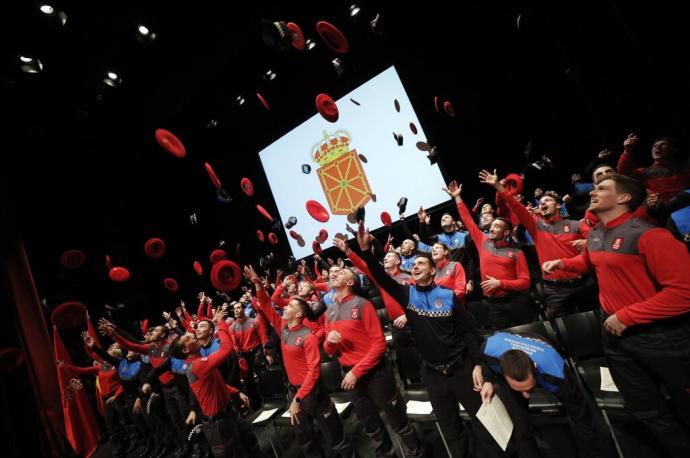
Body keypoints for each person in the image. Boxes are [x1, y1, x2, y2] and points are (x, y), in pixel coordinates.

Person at [345, 225, 541, 457]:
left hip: (462, 370)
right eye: (414, 265)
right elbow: (379, 276)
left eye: (421, 264)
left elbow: (470, 333)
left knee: (485, 426)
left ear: (432, 271)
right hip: (433, 376)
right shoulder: (406, 294)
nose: (415, 267)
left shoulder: (447, 297)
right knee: (452, 432)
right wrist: (366, 250)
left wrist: (479, 366)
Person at [542, 173, 690, 458]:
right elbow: (589, 260)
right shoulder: (597, 234)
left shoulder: (649, 235)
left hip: (661, 337)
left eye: (602, 188)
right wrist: (563, 263)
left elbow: (684, 293)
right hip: (615, 338)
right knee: (646, 408)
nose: (593, 192)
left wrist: (628, 316)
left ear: (623, 198)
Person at [245, 265, 356, 458]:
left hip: (313, 392)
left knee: (336, 438)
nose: (284, 307)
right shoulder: (283, 328)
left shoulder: (308, 337)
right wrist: (257, 285)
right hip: (294, 391)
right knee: (306, 441)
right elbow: (266, 305)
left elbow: (314, 371)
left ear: (298, 315)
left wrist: (298, 399)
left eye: (289, 306)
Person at [322, 257, 424, 457]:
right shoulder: (330, 312)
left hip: (376, 373)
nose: (334, 274)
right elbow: (329, 350)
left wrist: (356, 372)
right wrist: (330, 343)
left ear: (351, 282)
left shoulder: (363, 304)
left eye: (340, 272)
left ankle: (417, 454)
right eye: (333, 273)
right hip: (350, 375)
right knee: (371, 426)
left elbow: (379, 345)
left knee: (398, 422)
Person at [479, 169, 598, 318]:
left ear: (559, 206)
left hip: (584, 284)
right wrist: (498, 186)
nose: (543, 203)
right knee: (564, 333)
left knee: (598, 325)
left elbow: (598, 241)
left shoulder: (576, 224)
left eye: (547, 200)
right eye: (541, 202)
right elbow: (515, 205)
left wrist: (588, 241)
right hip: (555, 290)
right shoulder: (535, 226)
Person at [481, 331, 614, 458]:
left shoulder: (558, 377)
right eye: (519, 389)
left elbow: (581, 418)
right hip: (507, 355)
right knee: (520, 422)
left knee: (584, 422)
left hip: (545, 358)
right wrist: (487, 380)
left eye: (529, 388)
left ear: (534, 367)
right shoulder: (489, 350)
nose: (527, 396)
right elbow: (483, 360)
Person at [169, 306, 266, 458]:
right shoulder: (196, 365)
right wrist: (221, 323)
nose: (192, 334)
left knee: (249, 445)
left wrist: (236, 392)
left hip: (228, 412)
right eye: (187, 338)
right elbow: (227, 349)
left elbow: (218, 382)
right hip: (219, 423)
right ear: (186, 351)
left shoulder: (199, 361)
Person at [446, 180, 536, 328]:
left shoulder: (516, 253)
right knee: (504, 340)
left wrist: (500, 283)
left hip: (515, 301)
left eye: (497, 226)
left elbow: (525, 282)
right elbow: (467, 219)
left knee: (529, 334)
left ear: (506, 232)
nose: (492, 229)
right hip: (492, 305)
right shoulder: (483, 241)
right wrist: (457, 197)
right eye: (492, 226)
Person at [617, 133, 690, 202]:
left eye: (663, 144)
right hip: (669, 211)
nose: (657, 147)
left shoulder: (685, 167)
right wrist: (627, 150)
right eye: (654, 146)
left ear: (674, 150)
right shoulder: (646, 172)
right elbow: (623, 171)